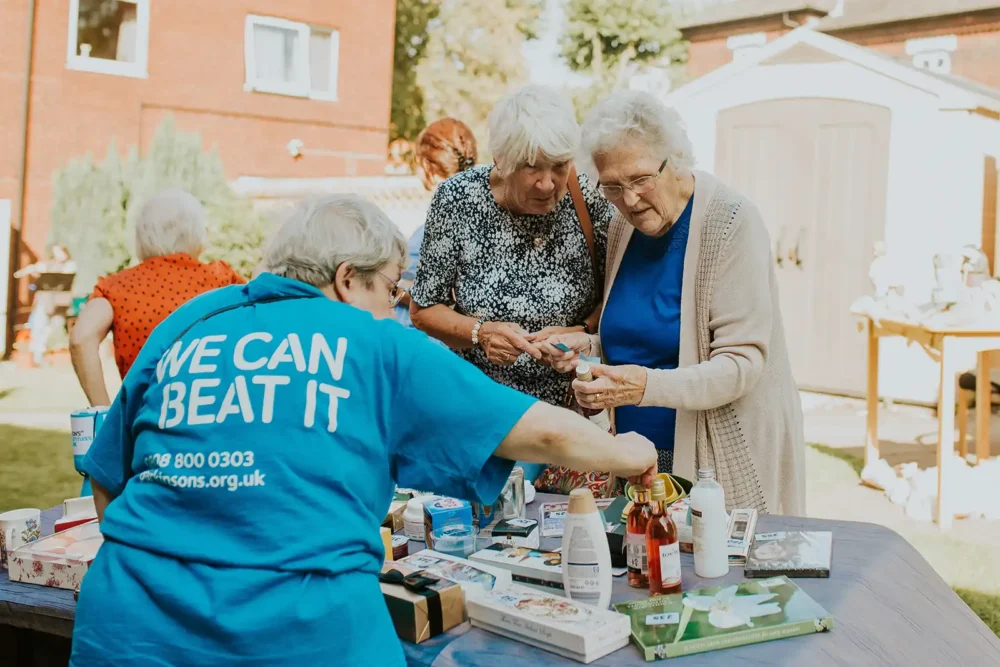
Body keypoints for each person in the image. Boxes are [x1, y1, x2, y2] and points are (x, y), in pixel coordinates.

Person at [70, 194, 656, 666]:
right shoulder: (375, 343)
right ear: (349, 279)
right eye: (392, 287)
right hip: (300, 631)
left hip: (128, 623)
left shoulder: (193, 321)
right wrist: (630, 450)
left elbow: (105, 474)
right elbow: (542, 432)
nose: (398, 306)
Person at [539, 91, 805, 515]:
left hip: (713, 460)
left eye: (641, 179)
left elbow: (741, 365)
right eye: (611, 186)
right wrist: (585, 352)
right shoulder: (623, 227)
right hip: (635, 460)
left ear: (675, 158)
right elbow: (640, 335)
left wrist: (642, 387)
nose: (628, 200)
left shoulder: (732, 222)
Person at [409, 85, 615, 407]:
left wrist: (581, 331)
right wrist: (481, 333)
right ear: (500, 161)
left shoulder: (587, 197)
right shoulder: (457, 200)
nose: (547, 184)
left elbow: (619, 295)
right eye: (531, 166)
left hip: (566, 414)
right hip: (478, 406)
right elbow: (423, 310)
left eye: (560, 165)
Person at [69, 189, 245, 406]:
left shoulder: (116, 288)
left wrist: (103, 412)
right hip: (211, 416)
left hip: (145, 421)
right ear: (197, 233)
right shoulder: (223, 279)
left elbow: (80, 338)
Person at [395, 118, 479, 329]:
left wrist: (390, 286)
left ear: (427, 167)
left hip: (427, 338)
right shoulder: (474, 214)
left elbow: (441, 296)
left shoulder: (447, 221)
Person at [15, 245, 76, 366]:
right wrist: (28, 271)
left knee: (54, 327)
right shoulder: (47, 264)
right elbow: (27, 271)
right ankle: (37, 356)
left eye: (60, 252)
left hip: (60, 303)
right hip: (44, 301)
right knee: (38, 327)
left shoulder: (70, 265)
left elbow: (70, 271)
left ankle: (49, 353)